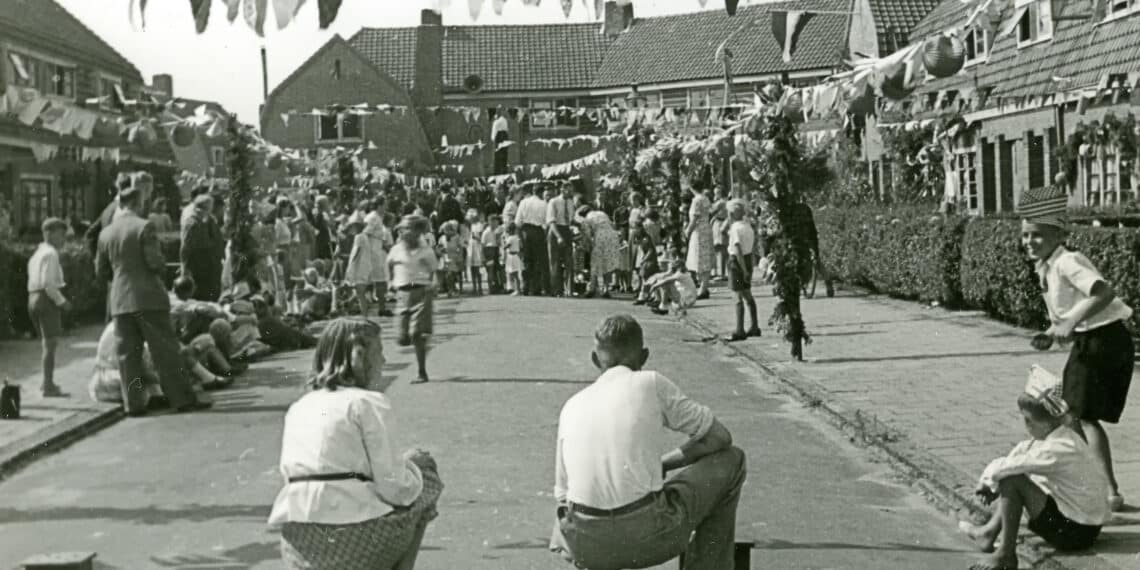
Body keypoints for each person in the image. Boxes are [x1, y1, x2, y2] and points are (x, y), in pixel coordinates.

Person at [550, 314, 746, 570]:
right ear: (643, 357)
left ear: (595, 359)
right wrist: (665, 463)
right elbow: (719, 438)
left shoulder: (571, 406)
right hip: (647, 536)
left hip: (585, 545)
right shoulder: (650, 383)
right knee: (733, 459)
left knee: (588, 513)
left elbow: (563, 494)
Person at [269, 318, 444, 570]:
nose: (384, 362)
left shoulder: (299, 407)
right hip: (353, 542)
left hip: (299, 544)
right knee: (425, 471)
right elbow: (395, 488)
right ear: (360, 358)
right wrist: (413, 466)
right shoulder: (367, 402)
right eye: (379, 352)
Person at [1021, 184, 1134, 512]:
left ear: (1058, 234)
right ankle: (1099, 487)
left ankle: (1106, 493)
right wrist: (1052, 331)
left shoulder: (1068, 261)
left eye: (1038, 235)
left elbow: (1104, 293)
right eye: (1026, 235)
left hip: (1104, 341)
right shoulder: (1048, 266)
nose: (1030, 242)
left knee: (1080, 416)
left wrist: (1068, 325)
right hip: (1095, 341)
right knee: (1073, 414)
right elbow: (1070, 312)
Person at [959, 366, 1110, 570]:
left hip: (1074, 534)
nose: (1026, 426)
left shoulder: (1057, 449)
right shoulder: (1062, 435)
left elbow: (1009, 467)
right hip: (1086, 527)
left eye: (1028, 420)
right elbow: (1022, 452)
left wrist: (987, 482)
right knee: (1016, 474)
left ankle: (1005, 554)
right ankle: (988, 532)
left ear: (1048, 423)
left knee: (1012, 480)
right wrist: (994, 483)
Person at [96, 178, 210, 414]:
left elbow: (101, 271)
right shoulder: (143, 226)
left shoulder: (106, 233)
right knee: (166, 351)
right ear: (138, 203)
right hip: (148, 298)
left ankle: (134, 404)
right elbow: (155, 262)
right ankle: (182, 399)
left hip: (120, 300)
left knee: (128, 356)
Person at [388, 215, 438, 384]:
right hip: (402, 294)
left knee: (416, 334)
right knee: (402, 339)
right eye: (402, 229)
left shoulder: (426, 250)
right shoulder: (396, 249)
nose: (404, 232)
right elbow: (389, 264)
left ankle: (421, 372)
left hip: (421, 292)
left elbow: (434, 269)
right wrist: (391, 281)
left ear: (418, 231)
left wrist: (431, 284)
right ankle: (417, 338)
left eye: (408, 228)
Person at [27, 217, 72, 398]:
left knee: (46, 344)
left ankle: (45, 382)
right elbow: (48, 283)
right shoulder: (51, 254)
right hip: (46, 300)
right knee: (50, 345)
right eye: (61, 235)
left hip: (32, 297)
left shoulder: (37, 253)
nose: (63, 239)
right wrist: (62, 302)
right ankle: (48, 385)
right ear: (49, 233)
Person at [727, 200, 762, 341]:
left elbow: (737, 250)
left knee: (737, 295)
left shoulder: (735, 229)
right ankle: (754, 325)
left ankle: (739, 328)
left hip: (737, 264)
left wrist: (743, 269)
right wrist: (749, 268)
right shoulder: (748, 227)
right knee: (748, 293)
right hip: (748, 260)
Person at [181, 193, 224, 302]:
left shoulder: (209, 220)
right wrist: (184, 267)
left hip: (212, 267)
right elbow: (186, 247)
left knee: (213, 297)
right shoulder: (192, 223)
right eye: (210, 207)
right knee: (200, 298)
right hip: (199, 269)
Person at [515, 183, 549, 296]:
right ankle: (536, 287)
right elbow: (546, 222)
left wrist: (519, 236)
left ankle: (526, 286)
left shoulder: (523, 202)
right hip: (538, 231)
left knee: (527, 259)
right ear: (540, 192)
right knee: (538, 260)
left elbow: (517, 221)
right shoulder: (543, 204)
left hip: (525, 231)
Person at [579, 206, 620, 299]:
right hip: (612, 235)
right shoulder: (602, 213)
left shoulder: (587, 218)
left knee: (595, 262)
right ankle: (606, 288)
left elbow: (588, 235)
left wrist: (588, 246)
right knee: (607, 263)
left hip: (600, 236)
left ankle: (592, 288)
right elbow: (612, 225)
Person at [684, 180, 713, 300]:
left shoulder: (697, 200)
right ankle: (703, 286)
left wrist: (688, 230)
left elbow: (694, 218)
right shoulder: (705, 198)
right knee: (703, 258)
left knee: (700, 258)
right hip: (705, 228)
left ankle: (703, 288)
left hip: (699, 231)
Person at [547, 182, 575, 297]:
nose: (571, 192)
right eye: (568, 190)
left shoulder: (570, 202)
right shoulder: (553, 202)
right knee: (555, 262)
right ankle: (557, 290)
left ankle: (569, 290)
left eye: (571, 190)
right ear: (562, 190)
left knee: (569, 261)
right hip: (555, 231)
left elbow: (571, 220)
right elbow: (551, 222)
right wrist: (559, 237)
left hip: (566, 230)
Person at [482, 216, 503, 294]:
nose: (496, 223)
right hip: (489, 251)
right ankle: (490, 288)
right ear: (490, 222)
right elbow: (482, 245)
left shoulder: (497, 231)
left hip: (495, 251)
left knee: (496, 270)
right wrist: (483, 256)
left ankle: (497, 287)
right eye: (494, 221)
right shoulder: (486, 232)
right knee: (490, 270)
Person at [466, 209, 486, 295]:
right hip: (471, 248)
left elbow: (481, 238)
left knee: (477, 269)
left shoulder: (479, 225)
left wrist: (475, 237)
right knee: (472, 268)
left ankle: (480, 288)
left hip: (477, 247)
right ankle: (474, 288)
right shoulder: (470, 226)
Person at [503, 223, 523, 295]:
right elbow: (521, 246)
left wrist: (504, 242)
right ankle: (516, 289)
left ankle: (517, 290)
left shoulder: (510, 238)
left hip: (512, 256)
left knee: (514, 274)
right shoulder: (517, 237)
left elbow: (506, 246)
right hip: (515, 256)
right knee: (514, 273)